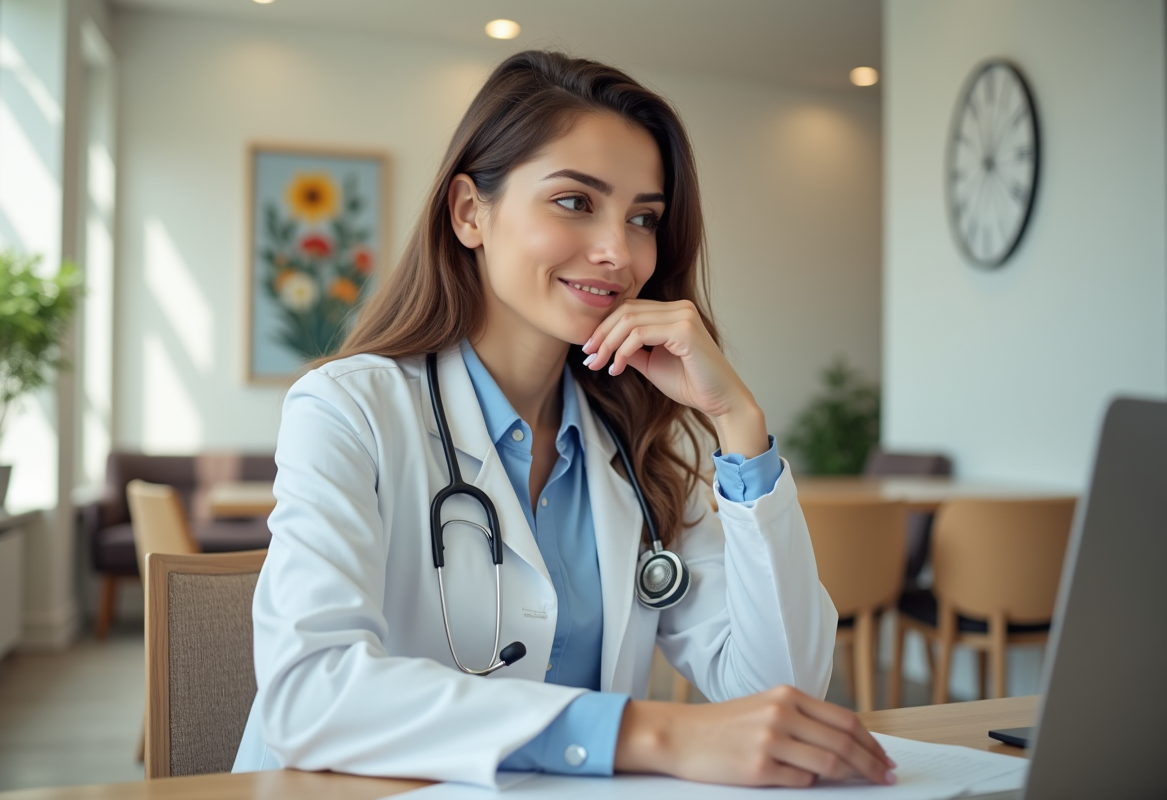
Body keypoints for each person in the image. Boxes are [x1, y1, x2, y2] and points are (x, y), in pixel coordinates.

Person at [233, 50, 895, 789]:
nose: (619, 253)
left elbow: (781, 692)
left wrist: (737, 421)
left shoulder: (637, 450)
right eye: (576, 202)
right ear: (469, 212)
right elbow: (311, 694)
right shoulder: (347, 409)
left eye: (643, 218)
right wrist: (645, 731)